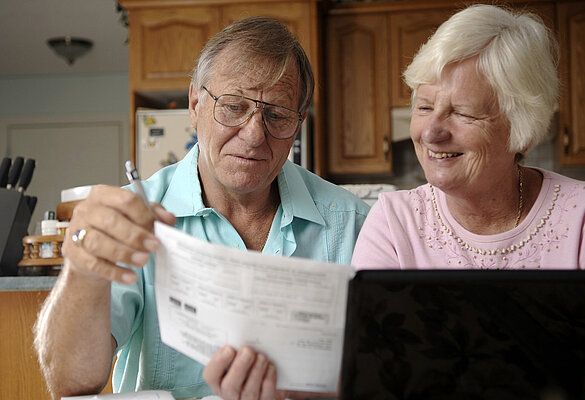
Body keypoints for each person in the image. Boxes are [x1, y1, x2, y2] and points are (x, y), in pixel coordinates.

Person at [34, 16, 369, 400]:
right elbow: (69, 382)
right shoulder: (136, 217)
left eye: (276, 115)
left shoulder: (354, 225)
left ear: (299, 124)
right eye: (233, 106)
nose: (255, 133)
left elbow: (383, 375)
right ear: (195, 104)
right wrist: (81, 268)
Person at [351, 3, 585, 395]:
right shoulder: (394, 221)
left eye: (463, 113)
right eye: (424, 106)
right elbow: (375, 375)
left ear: (522, 129)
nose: (431, 132)